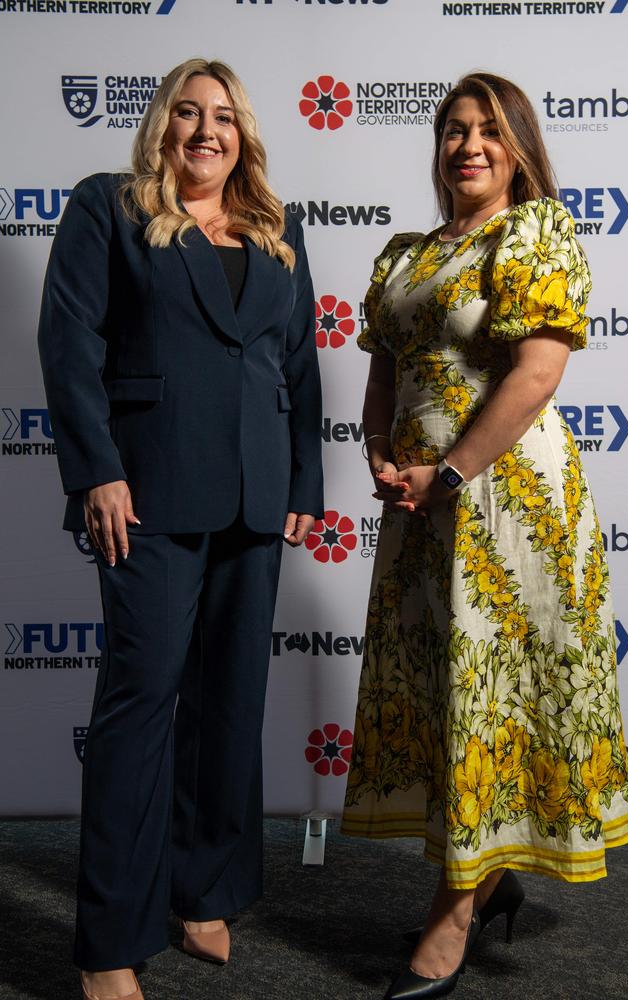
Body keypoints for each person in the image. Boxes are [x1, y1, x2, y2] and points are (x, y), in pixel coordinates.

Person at [340, 72, 628, 1000]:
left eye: (489, 131)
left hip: (507, 501)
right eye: (454, 130)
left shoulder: (537, 232)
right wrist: (384, 455)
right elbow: (387, 377)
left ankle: (456, 907)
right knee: (442, 688)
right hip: (421, 505)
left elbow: (538, 373)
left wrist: (454, 474)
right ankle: (486, 868)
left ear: (518, 149)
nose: (468, 145)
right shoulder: (406, 255)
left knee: (491, 691)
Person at [38, 58, 323, 1000]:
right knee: (141, 705)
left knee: (231, 704)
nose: (208, 131)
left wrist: (304, 481)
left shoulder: (279, 235)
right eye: (190, 114)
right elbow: (69, 343)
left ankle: (204, 890)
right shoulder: (107, 208)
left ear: (245, 135)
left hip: (253, 497)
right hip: (148, 495)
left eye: (226, 117)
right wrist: (98, 472)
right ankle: (109, 942)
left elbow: (299, 369)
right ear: (162, 124)